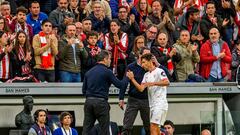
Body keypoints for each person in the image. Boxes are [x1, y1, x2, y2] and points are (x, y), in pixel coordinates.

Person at [82, 50, 127, 135]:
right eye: (109, 59)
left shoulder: (88, 72)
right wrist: (127, 78)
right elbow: (120, 85)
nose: (110, 61)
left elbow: (83, 91)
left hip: (88, 102)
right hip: (101, 103)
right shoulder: (107, 72)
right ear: (105, 59)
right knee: (104, 130)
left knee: (86, 129)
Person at [126, 53, 170, 135]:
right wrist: (132, 79)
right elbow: (141, 88)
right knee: (156, 128)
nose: (142, 65)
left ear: (150, 61)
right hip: (152, 105)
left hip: (160, 104)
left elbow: (167, 82)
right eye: (141, 63)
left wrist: (153, 83)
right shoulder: (146, 75)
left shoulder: (159, 71)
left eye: (144, 62)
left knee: (152, 127)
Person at [119, 47, 151, 135]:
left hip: (147, 99)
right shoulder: (131, 67)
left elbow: (165, 74)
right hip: (133, 99)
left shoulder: (151, 67)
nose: (148, 57)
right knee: (127, 127)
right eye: (146, 55)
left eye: (149, 55)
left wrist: (156, 62)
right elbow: (124, 82)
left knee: (149, 127)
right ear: (140, 55)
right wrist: (121, 98)